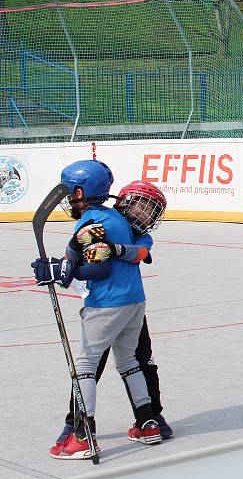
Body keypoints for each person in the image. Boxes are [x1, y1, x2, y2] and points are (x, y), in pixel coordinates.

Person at [32, 160, 162, 460]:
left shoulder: (91, 221)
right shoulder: (115, 217)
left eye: (70, 191)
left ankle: (82, 436)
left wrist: (61, 270)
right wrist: (69, 259)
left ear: (81, 191)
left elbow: (98, 270)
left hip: (107, 303)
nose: (67, 198)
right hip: (134, 301)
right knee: (129, 361)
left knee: (86, 366)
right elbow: (88, 255)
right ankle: (148, 423)